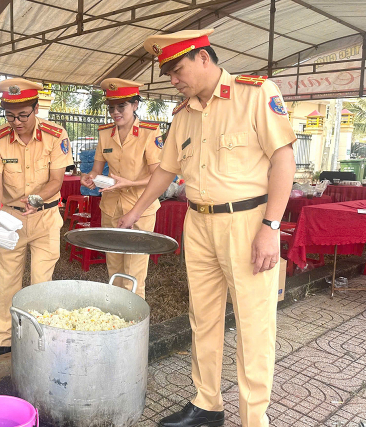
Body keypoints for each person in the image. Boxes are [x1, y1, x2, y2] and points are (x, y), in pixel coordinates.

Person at [119, 29, 296, 427]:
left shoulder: (254, 94)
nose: (173, 80)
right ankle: (207, 404)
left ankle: (254, 418)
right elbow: (166, 169)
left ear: (203, 58)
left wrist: (271, 227)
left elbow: (283, 161)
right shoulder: (184, 114)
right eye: (168, 74)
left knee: (253, 324)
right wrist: (135, 212)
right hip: (196, 222)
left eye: (177, 70)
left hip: (247, 223)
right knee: (204, 317)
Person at [0, 78, 73, 357]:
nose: (16, 122)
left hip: (45, 219)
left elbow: (56, 180)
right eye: (9, 115)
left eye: (22, 115)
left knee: (41, 284)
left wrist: (37, 199)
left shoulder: (56, 135)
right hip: (11, 222)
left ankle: (36, 338)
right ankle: (5, 342)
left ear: (36, 108)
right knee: (8, 282)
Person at [80, 78, 162, 299]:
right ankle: (117, 324)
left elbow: (159, 175)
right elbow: (97, 168)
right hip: (111, 207)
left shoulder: (149, 133)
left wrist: (130, 183)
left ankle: (134, 327)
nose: (115, 112)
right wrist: (89, 178)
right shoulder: (105, 133)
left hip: (140, 209)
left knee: (134, 273)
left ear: (135, 105)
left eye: (121, 106)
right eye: (111, 108)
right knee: (114, 269)